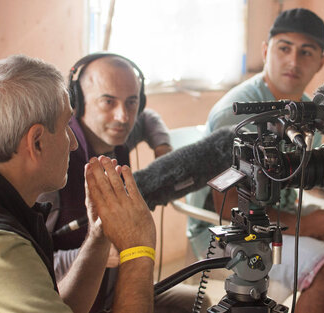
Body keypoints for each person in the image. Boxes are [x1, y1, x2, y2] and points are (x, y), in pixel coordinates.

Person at [187, 8, 324, 313]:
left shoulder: (307, 110)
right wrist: (305, 225)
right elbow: (226, 205)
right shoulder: (237, 113)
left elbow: (295, 175)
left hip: (279, 214)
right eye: (284, 48)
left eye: (306, 52)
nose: (294, 61)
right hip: (226, 230)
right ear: (266, 51)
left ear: (321, 62)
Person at [0, 55, 156, 313]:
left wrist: (99, 234)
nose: (74, 142)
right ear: (37, 142)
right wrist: (138, 250)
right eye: (67, 125)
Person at [40, 53, 209, 313]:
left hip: (113, 290)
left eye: (132, 103)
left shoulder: (120, 132)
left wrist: (162, 146)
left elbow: (149, 118)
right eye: (108, 102)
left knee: (194, 302)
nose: (123, 116)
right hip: (71, 302)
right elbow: (38, 264)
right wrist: (96, 255)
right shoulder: (54, 165)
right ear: (77, 102)